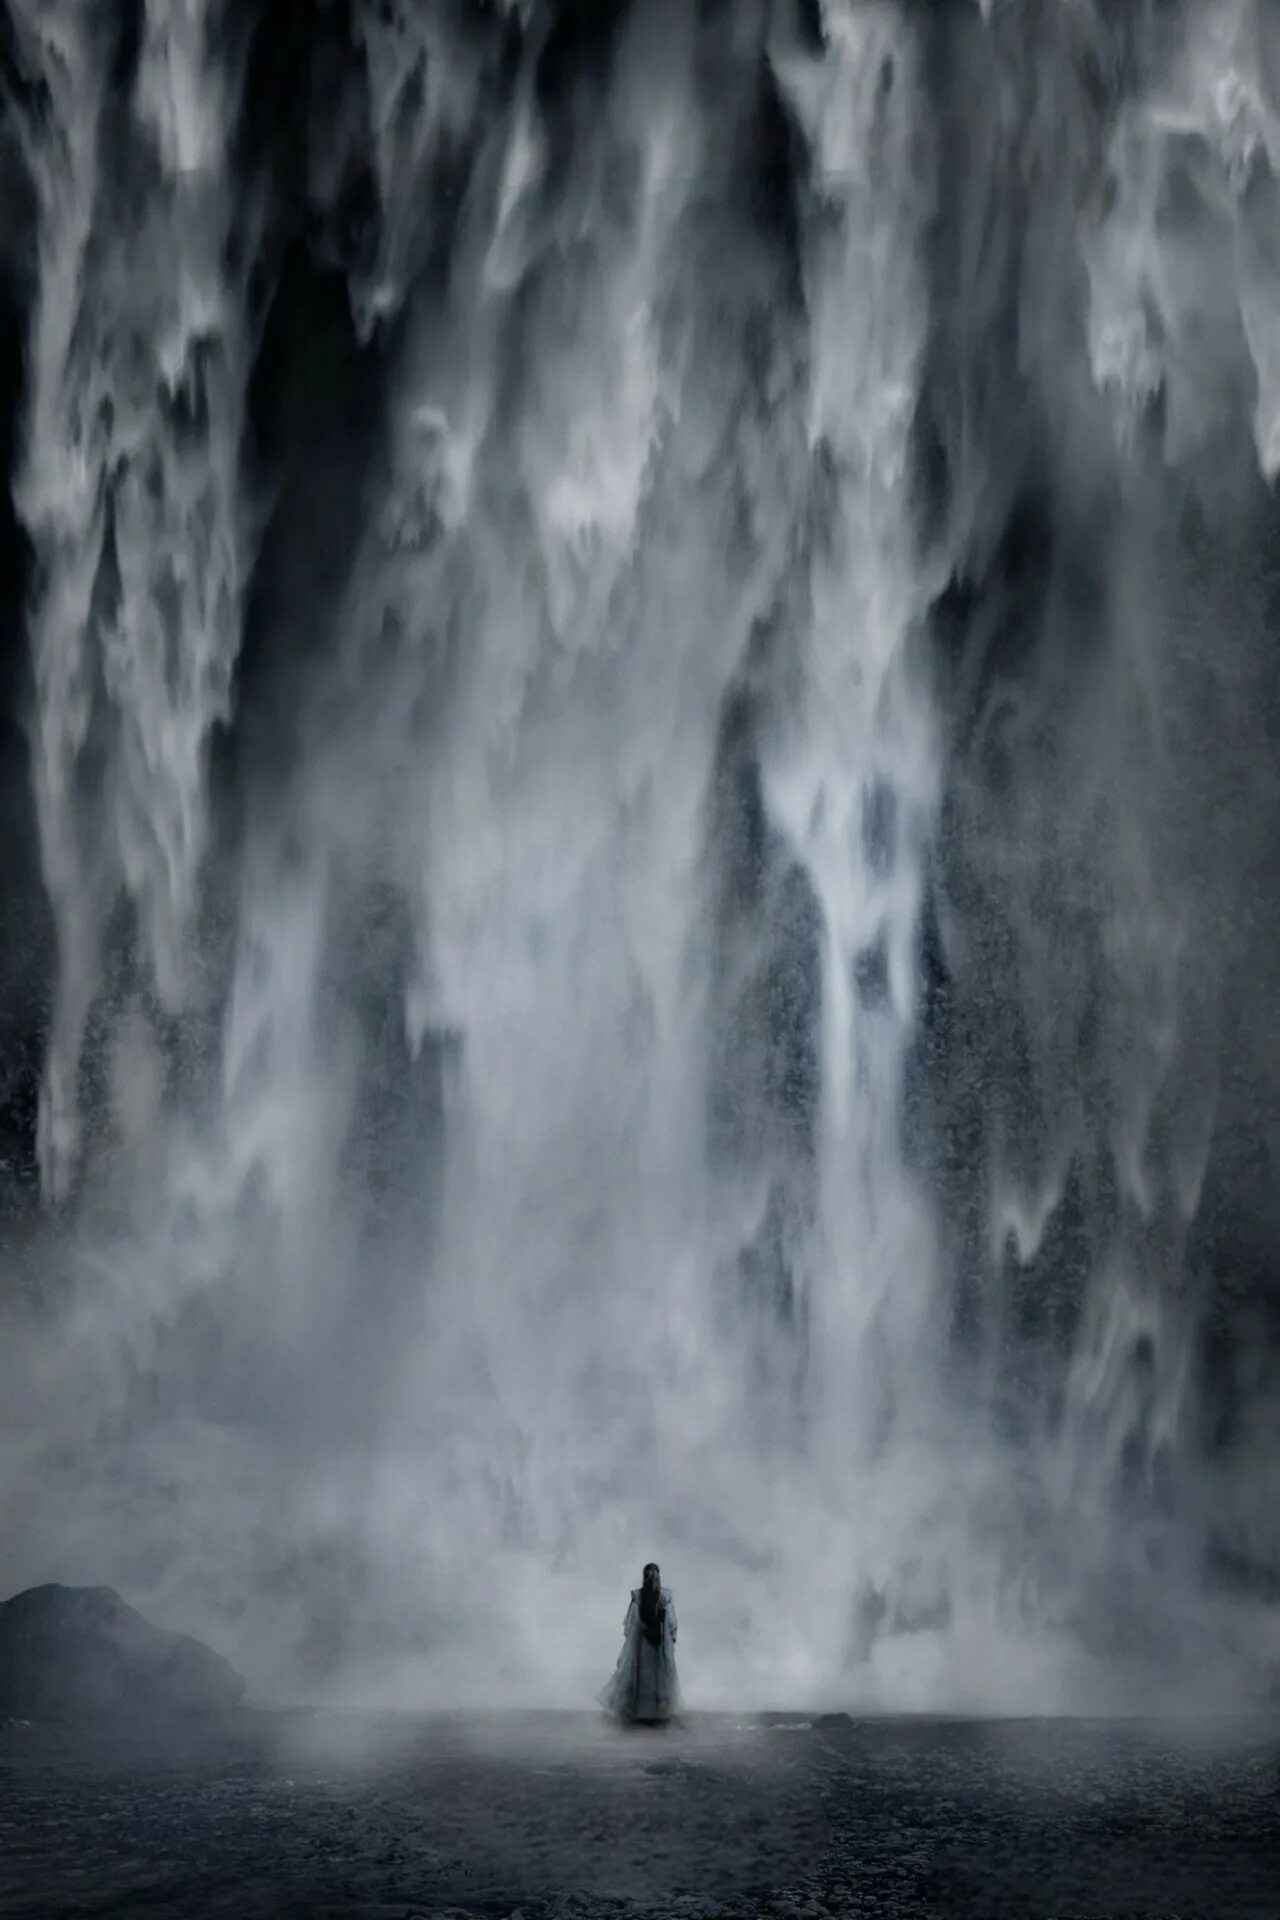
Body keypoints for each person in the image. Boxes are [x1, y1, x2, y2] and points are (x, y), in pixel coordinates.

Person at [597, 1562, 682, 1725]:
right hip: (646, 1644)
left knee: (652, 1676)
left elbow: (668, 1622)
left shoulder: (659, 1597)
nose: (653, 1580)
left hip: (654, 1643)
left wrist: (669, 1637)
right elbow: (635, 1623)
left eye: (654, 1577)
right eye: (651, 1577)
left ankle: (652, 1712)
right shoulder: (646, 1597)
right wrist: (670, 1636)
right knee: (647, 1676)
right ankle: (648, 1712)